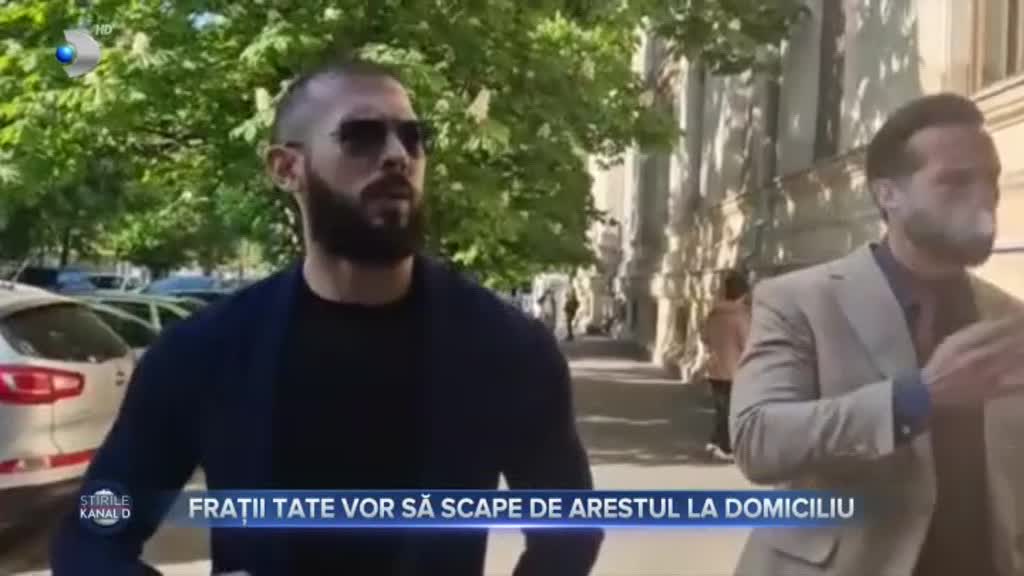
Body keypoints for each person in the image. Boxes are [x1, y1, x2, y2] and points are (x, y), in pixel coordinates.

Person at [52, 57, 601, 576]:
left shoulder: (506, 349)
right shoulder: (204, 352)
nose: (397, 155)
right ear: (287, 168)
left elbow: (570, 531)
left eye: (413, 138)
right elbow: (93, 532)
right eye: (362, 136)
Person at [731, 93, 1024, 576]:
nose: (983, 197)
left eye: (990, 179)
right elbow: (758, 440)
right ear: (888, 195)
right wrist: (917, 399)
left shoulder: (1008, 319)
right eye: (955, 181)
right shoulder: (798, 300)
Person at [698, 269, 750, 461]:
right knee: (730, 410)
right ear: (742, 294)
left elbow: (705, 337)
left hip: (715, 368)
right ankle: (726, 448)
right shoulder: (741, 317)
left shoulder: (714, 314)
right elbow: (747, 343)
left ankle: (714, 441)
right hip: (735, 370)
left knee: (721, 408)